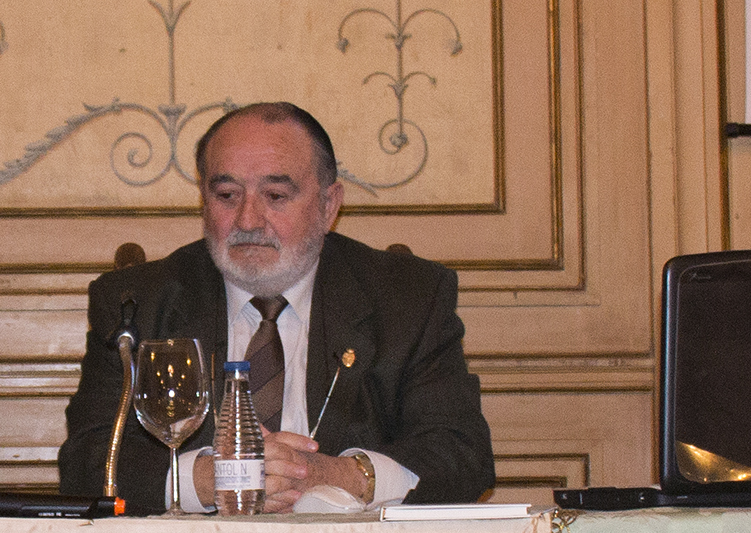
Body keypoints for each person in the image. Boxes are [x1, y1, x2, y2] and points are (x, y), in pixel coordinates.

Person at [58, 102, 492, 511]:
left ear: (328, 205)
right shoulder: (137, 303)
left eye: (276, 197)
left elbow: (461, 454)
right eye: (227, 195)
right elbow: (88, 464)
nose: (248, 220)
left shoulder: (407, 298)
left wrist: (342, 475)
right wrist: (206, 480)